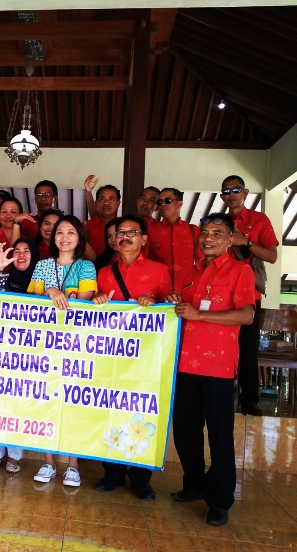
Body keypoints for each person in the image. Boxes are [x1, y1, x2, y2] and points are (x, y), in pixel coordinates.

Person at [167, 213, 256, 527]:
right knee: (185, 431)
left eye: (217, 233)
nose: (208, 238)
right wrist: (175, 300)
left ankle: (219, 501)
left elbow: (246, 315)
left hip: (217, 367)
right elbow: (184, 309)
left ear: (230, 240)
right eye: (204, 232)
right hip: (184, 364)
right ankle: (194, 484)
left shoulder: (240, 271)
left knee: (219, 435)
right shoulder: (191, 272)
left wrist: (199, 315)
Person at [91, 215, 171, 500]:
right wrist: (98, 299)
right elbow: (93, 311)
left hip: (147, 357)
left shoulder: (160, 271)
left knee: (142, 413)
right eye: (120, 233)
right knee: (111, 409)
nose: (124, 237)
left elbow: (170, 308)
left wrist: (157, 304)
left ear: (144, 239)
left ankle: (141, 478)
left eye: (131, 232)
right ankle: (111, 473)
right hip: (112, 354)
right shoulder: (103, 273)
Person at [28, 215, 96, 487]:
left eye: (71, 232)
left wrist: (59, 294)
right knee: (47, 402)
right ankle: (48, 463)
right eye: (59, 232)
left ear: (79, 239)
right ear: (53, 238)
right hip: (45, 344)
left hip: (75, 345)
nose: (64, 237)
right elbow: (31, 302)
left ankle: (72, 466)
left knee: (72, 404)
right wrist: (51, 290)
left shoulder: (86, 266)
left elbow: (83, 303)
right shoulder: (42, 265)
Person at [220, 175, 278, 417]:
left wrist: (247, 242)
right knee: (220, 345)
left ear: (245, 192)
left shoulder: (259, 220)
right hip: (221, 292)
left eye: (236, 189)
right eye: (226, 191)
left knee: (247, 348)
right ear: (222, 196)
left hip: (249, 293)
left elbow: (272, 256)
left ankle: (249, 400)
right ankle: (220, 395)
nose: (231, 194)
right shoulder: (218, 221)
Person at [0, 238, 40, 472]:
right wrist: (0, 268)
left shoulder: (40, 281)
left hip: (28, 354)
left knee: (18, 405)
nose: (21, 254)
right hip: (1, 351)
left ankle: (15, 456)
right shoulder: (4, 277)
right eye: (17, 250)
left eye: (26, 250)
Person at [147, 188, 201, 291]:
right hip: (158, 290)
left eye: (167, 200)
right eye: (159, 202)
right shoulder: (150, 230)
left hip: (188, 289)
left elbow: (202, 261)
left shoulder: (193, 230)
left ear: (180, 204)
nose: (163, 204)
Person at [83, 176, 120, 257]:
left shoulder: (124, 225)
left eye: (111, 199)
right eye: (102, 199)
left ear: (118, 203)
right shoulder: (85, 227)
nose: (106, 203)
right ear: (96, 203)